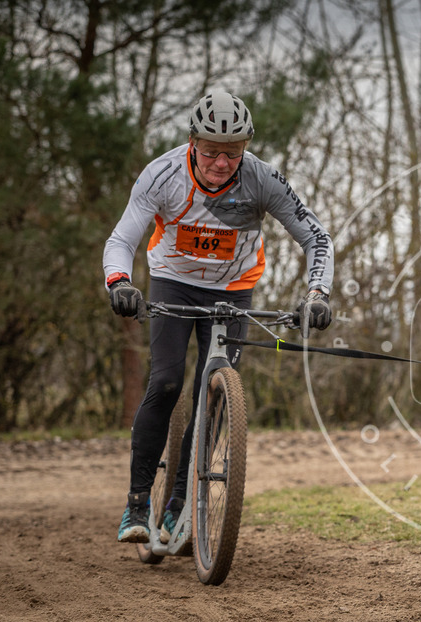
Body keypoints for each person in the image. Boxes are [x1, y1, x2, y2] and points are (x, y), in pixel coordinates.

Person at [103, 91, 334, 543]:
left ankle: (178, 506)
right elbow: (122, 238)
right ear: (192, 142)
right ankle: (136, 504)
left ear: (245, 148)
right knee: (167, 381)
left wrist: (317, 293)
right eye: (210, 152)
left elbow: (316, 237)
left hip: (233, 290)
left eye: (232, 153)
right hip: (172, 282)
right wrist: (119, 282)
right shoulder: (162, 174)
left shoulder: (264, 179)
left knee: (210, 394)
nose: (221, 163)